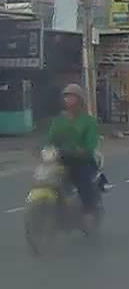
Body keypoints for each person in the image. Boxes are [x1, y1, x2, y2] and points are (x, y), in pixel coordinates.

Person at [46, 84, 101, 226]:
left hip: (81, 160)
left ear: (79, 100)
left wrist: (81, 150)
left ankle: (88, 211)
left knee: (83, 182)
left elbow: (91, 143)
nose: (68, 100)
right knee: (46, 178)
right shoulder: (59, 120)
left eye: (72, 96)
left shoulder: (89, 121)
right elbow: (50, 139)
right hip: (61, 159)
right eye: (66, 96)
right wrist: (42, 148)